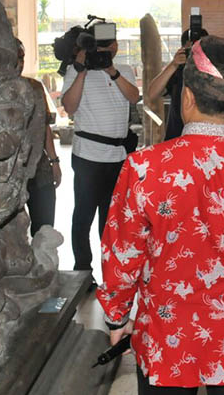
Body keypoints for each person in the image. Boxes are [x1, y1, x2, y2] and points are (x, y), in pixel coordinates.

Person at [97, 36, 224, 394]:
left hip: (166, 336)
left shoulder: (145, 168)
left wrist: (117, 316)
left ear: (187, 98)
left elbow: (121, 254)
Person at [61, 33, 139, 274]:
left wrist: (111, 71)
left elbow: (134, 97)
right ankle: (83, 270)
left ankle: (111, 270)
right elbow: (70, 107)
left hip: (117, 156)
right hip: (88, 155)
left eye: (111, 43)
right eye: (101, 45)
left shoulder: (123, 69)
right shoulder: (76, 71)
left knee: (111, 218)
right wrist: (82, 71)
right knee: (83, 215)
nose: (107, 48)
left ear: (116, 45)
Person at [17, 40, 62, 235]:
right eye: (15, 58)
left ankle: (43, 262)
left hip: (39, 165)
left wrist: (54, 161)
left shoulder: (34, 87)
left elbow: (44, 127)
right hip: (12, 167)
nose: (19, 63)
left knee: (44, 227)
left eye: (21, 58)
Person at [146, 27, 209, 141]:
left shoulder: (214, 72)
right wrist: (174, 64)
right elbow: (152, 94)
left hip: (206, 138)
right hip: (177, 137)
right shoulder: (177, 70)